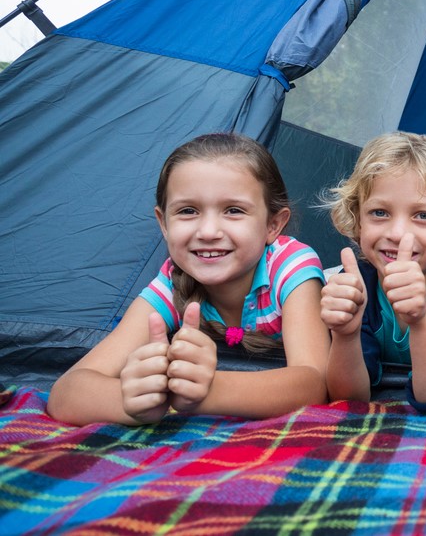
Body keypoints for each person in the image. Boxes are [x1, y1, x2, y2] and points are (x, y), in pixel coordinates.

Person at [47, 133, 330, 425]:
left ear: (273, 224)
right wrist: (133, 401)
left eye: (233, 210)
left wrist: (204, 393)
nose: (208, 231)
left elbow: (314, 383)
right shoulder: (172, 283)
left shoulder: (290, 266)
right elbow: (65, 394)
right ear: (163, 223)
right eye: (188, 211)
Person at [319, 131, 426, 415]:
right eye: (379, 213)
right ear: (358, 218)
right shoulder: (357, 282)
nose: (398, 233)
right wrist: (345, 335)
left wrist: (421, 319)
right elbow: (349, 397)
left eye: (423, 215)